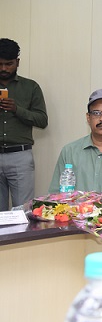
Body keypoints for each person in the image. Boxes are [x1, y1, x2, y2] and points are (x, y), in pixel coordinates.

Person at [0, 38, 48, 211]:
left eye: (9, 64)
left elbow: (42, 121)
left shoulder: (30, 87)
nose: (4, 69)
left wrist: (17, 109)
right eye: (0, 64)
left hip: (20, 156)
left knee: (23, 213)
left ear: (17, 62)